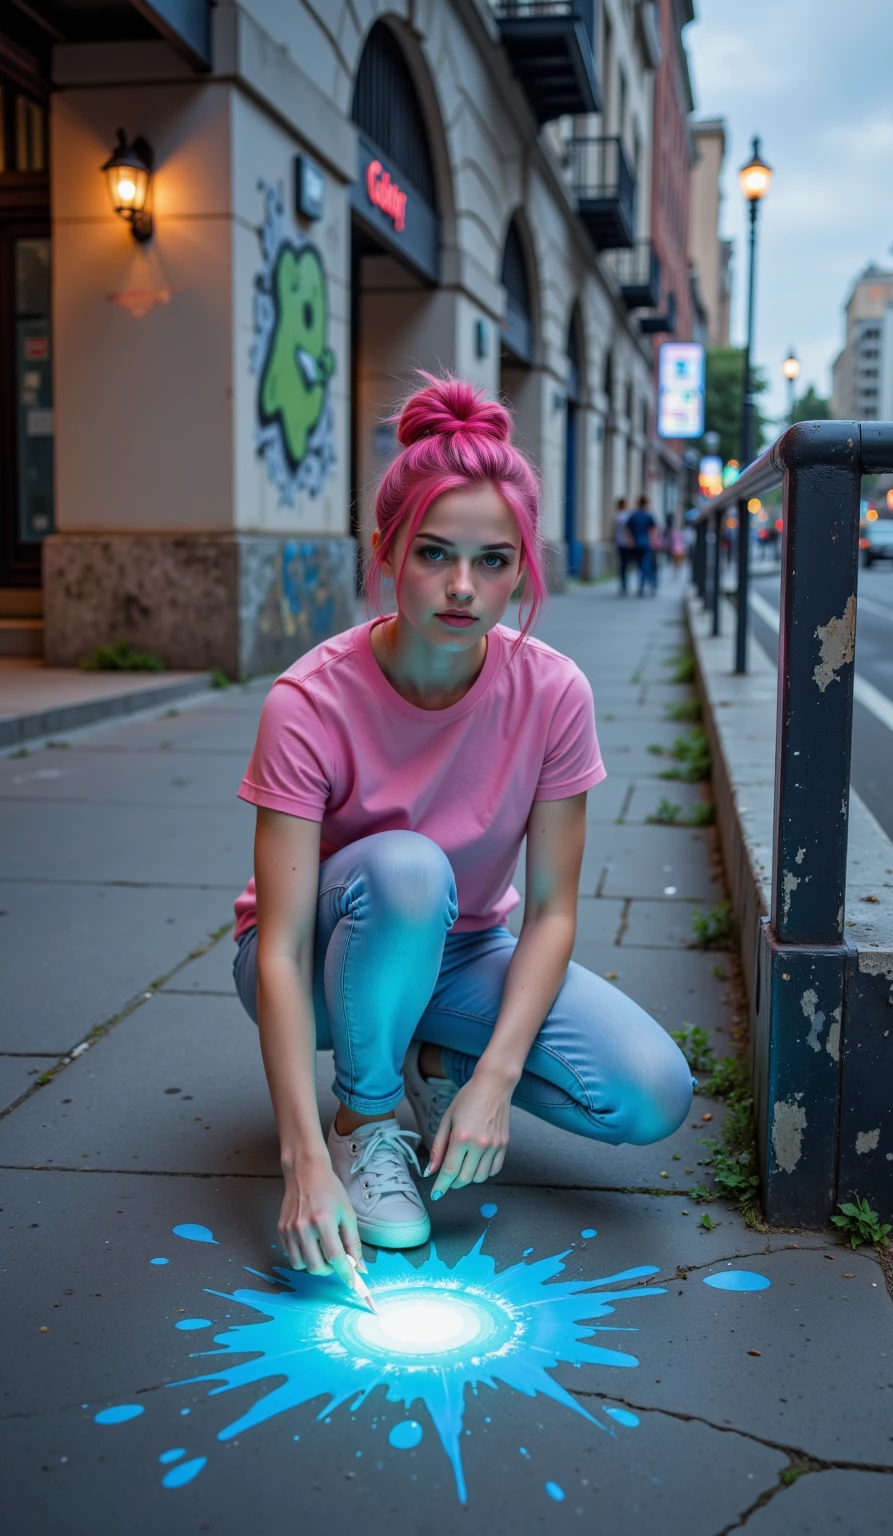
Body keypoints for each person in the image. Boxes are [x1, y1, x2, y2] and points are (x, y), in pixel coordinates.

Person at [231, 374, 694, 1292]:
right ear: (387, 551)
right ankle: (362, 1123)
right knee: (408, 871)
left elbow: (554, 911)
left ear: (523, 566)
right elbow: (278, 948)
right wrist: (303, 1162)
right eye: (434, 553)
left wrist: (493, 1079)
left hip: (466, 950)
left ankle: (435, 1057)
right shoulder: (307, 701)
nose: (461, 587)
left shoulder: (553, 691)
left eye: (493, 561)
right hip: (321, 959)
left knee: (651, 1094)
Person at [627, 494, 657, 596]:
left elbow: (628, 529)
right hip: (645, 543)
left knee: (639, 566)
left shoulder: (633, 516)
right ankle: (648, 586)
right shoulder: (648, 516)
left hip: (636, 544)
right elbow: (653, 530)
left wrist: (630, 540)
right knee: (646, 565)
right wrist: (652, 541)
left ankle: (642, 586)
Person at [612, 496, 635, 595]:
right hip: (627, 543)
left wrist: (614, 541)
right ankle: (625, 585)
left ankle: (623, 586)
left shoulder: (617, 517)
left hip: (620, 543)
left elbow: (614, 532)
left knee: (622, 565)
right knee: (627, 565)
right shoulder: (628, 516)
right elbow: (629, 530)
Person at [667, 512, 686, 577]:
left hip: (677, 548)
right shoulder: (675, 531)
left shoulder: (674, 531)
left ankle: (677, 572)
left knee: (677, 562)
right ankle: (677, 571)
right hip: (678, 548)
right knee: (677, 562)